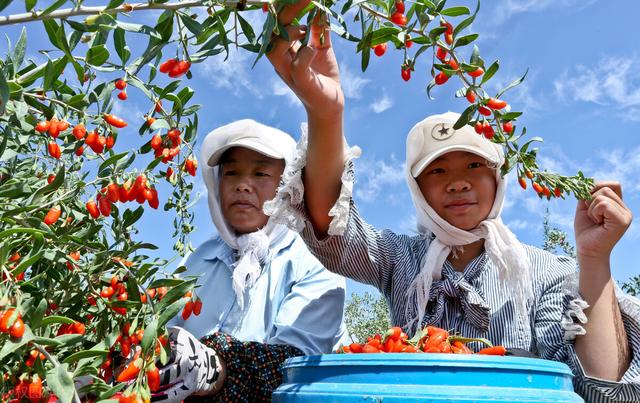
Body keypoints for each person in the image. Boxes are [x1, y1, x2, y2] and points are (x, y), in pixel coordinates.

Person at [265, 4, 640, 401]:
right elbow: (331, 227)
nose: (458, 183)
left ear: (498, 178)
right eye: (437, 171)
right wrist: (326, 112)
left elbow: (602, 390)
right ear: (417, 190)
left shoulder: (544, 273)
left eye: (475, 165)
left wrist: (595, 261)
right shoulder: (402, 260)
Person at [151, 119, 348, 402]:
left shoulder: (316, 261)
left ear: (288, 187)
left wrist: (215, 367)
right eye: (231, 173)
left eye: (260, 174)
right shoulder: (193, 264)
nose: (243, 185)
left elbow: (298, 368)